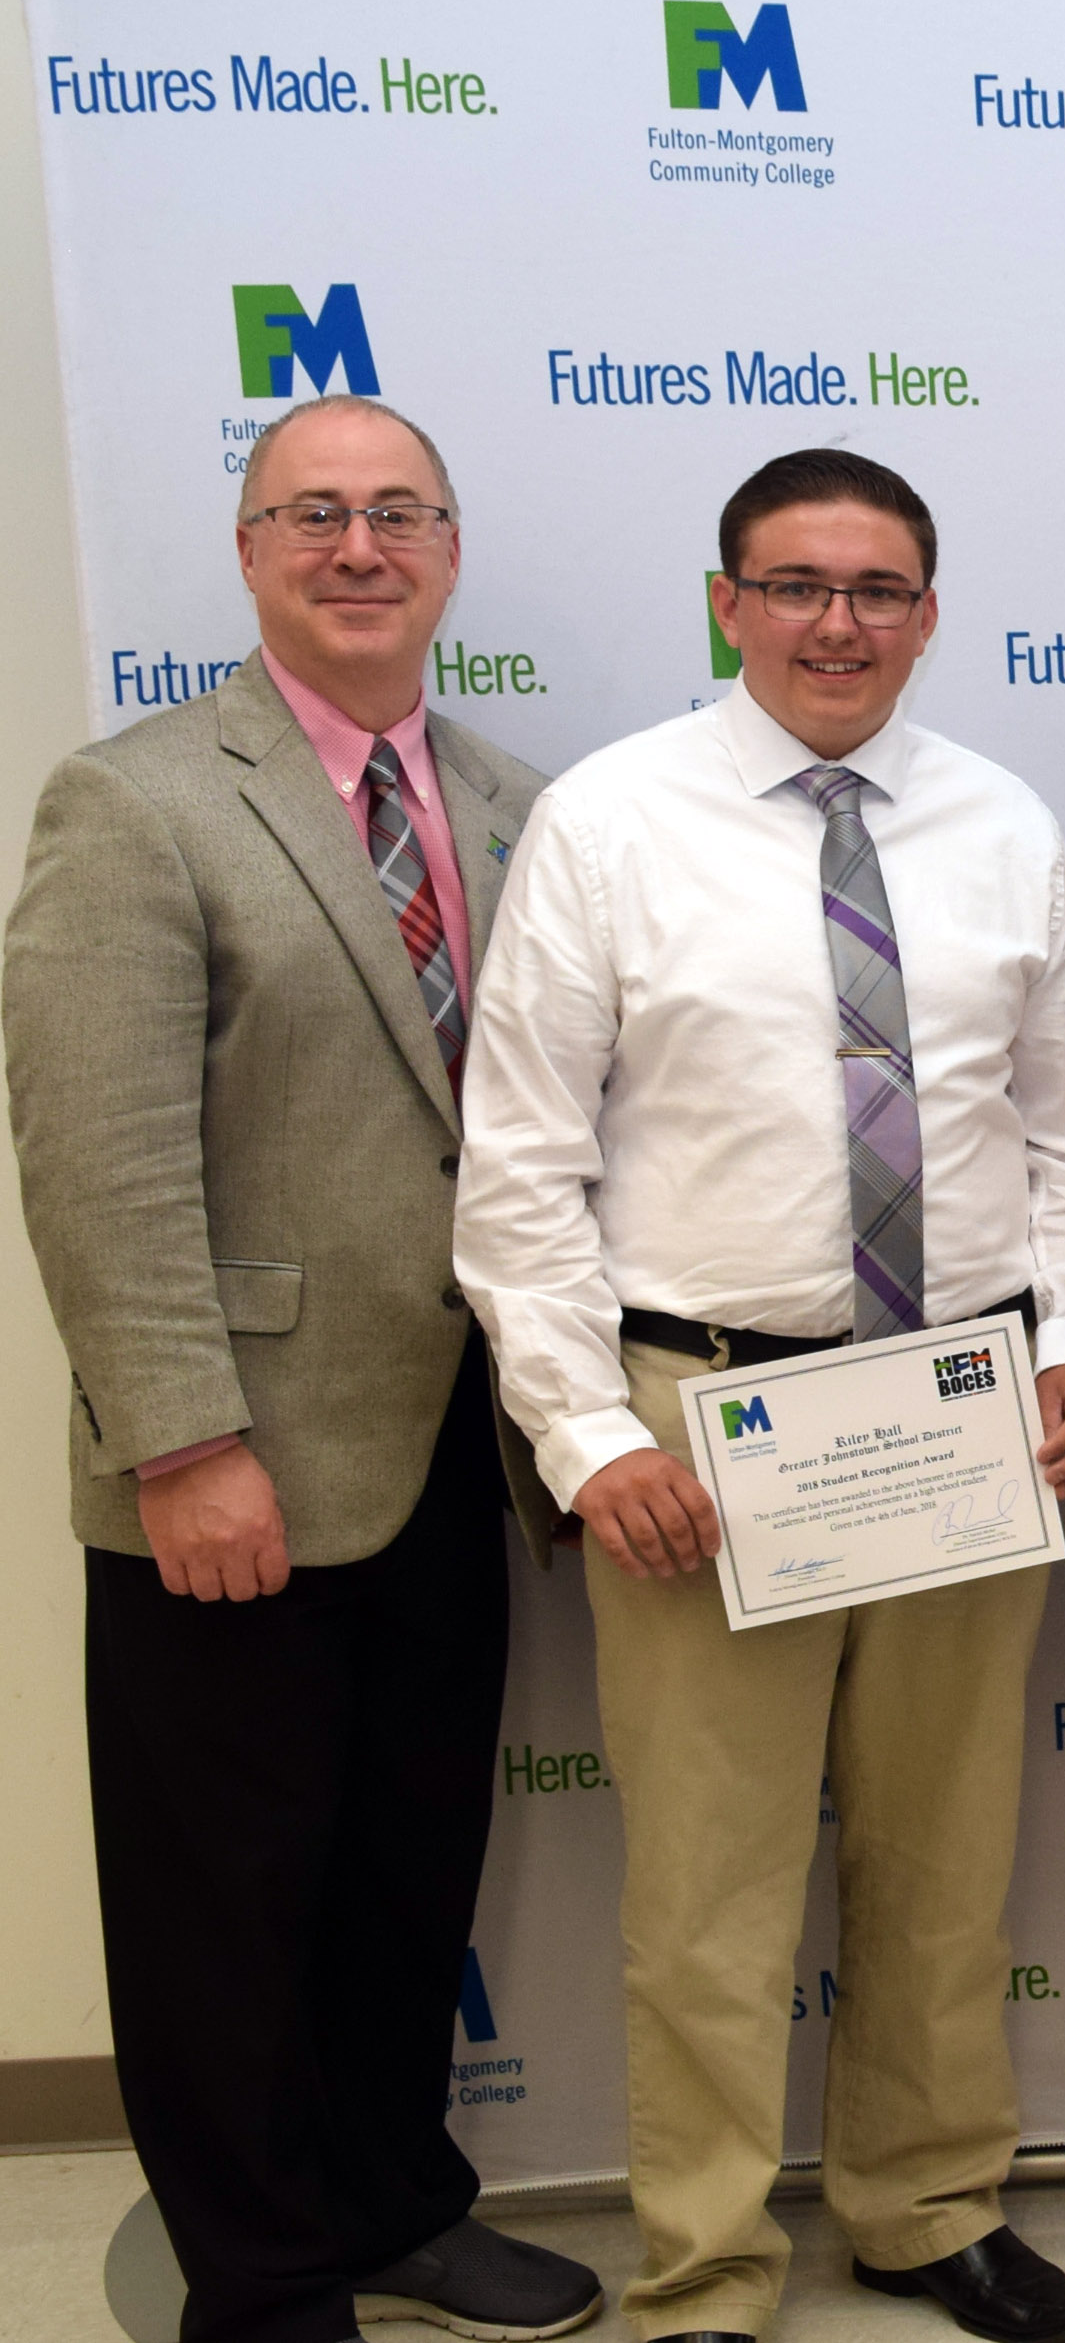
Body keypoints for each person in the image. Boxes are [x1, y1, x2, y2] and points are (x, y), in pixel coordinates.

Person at [454, 449, 1065, 2343]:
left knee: (941, 1862)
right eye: (799, 584)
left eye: (881, 588)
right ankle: (709, 2269)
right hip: (706, 1429)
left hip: (957, 1407)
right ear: (726, 604)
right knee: (709, 1895)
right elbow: (518, 1172)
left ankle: (929, 2209)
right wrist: (589, 1441)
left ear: (931, 608)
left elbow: (1063, 1131)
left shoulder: (1001, 821)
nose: (841, 622)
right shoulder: (610, 823)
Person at [2, 396, 600, 2343]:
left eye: (397, 512)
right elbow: (96, 1151)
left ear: (447, 545)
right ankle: (259, 2279)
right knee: (222, 1900)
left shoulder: (518, 807)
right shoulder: (142, 796)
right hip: (234, 1456)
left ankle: (390, 2200)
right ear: (252, 550)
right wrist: (181, 1434)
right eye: (314, 512)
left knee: (405, 1864)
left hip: (453, 1444)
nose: (360, 544)